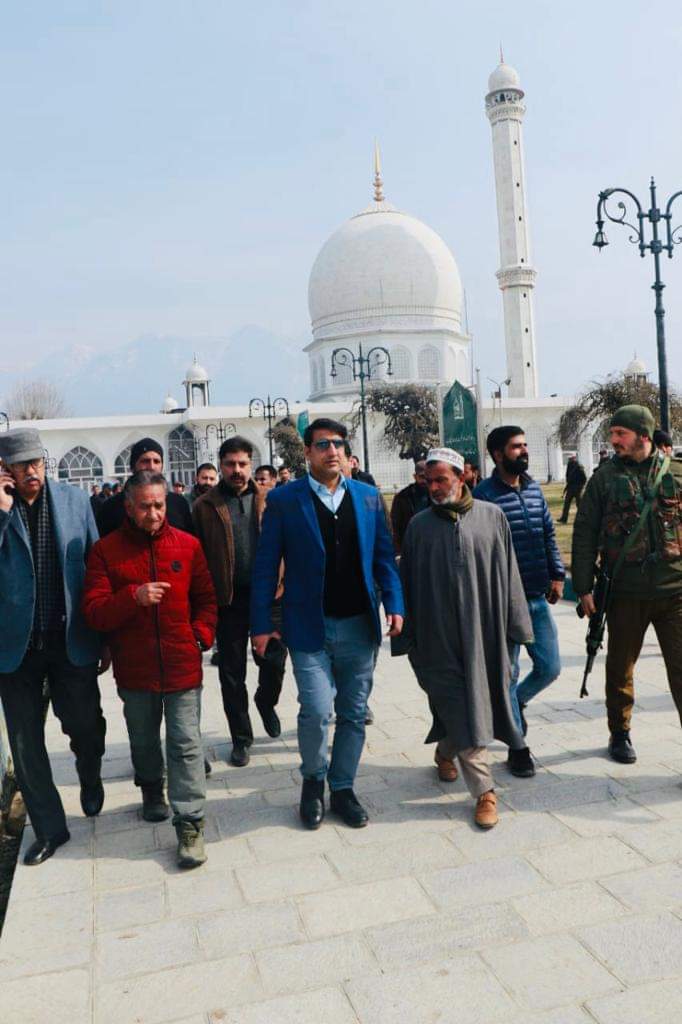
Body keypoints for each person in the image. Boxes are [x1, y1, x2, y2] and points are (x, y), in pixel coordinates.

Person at [251, 417, 404, 830]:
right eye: (323, 444)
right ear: (307, 452)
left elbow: (383, 558)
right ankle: (313, 781)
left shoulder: (369, 498)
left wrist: (395, 603)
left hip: (358, 625)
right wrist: (261, 623)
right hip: (309, 626)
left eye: (338, 443)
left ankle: (343, 788)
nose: (332, 451)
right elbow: (265, 566)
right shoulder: (285, 501)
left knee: (353, 713)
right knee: (316, 710)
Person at [83, 471, 216, 869]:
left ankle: (190, 824)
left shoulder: (188, 546)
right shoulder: (106, 552)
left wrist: (201, 636)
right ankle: (150, 788)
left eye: (159, 505)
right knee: (143, 740)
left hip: (182, 664)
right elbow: (93, 611)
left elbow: (207, 599)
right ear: (129, 507)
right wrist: (132, 597)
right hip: (136, 669)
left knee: (185, 744)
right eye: (145, 506)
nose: (154, 514)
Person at [398, 448, 532, 829]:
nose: (434, 487)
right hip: (436, 637)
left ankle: (446, 752)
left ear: (463, 476)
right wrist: (407, 638)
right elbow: (407, 584)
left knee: (474, 706)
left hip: (484, 634)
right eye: (429, 480)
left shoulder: (492, 517)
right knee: (457, 704)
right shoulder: (419, 527)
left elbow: (509, 575)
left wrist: (518, 628)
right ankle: (485, 792)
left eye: (441, 479)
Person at [0, 428, 107, 866]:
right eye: (21, 465)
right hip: (14, 647)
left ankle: (89, 769)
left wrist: (104, 635)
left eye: (36, 463)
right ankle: (49, 829)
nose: (32, 472)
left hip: (70, 639)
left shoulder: (74, 501)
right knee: (25, 744)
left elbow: (96, 566)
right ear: (5, 470)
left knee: (84, 724)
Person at [572, 404, 682, 764]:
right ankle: (619, 733)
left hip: (675, 593)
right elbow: (585, 533)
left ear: (643, 436)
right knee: (620, 667)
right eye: (613, 433)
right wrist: (584, 586)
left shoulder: (677, 474)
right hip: (625, 594)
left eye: (621, 434)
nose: (613, 440)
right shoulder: (603, 480)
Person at [474, 425, 564, 775]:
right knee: (507, 675)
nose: (523, 451)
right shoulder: (484, 495)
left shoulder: (533, 489)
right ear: (498, 455)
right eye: (516, 447)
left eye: (525, 445)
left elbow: (548, 533)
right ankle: (518, 746)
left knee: (550, 667)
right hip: (503, 602)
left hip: (537, 596)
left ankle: (517, 705)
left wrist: (557, 574)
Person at [193, 436, 287, 766]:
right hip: (228, 600)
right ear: (220, 465)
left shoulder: (272, 500)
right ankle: (241, 738)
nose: (237, 470)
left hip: (269, 597)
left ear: (252, 464)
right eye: (230, 464)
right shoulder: (205, 507)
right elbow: (197, 556)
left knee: (274, 661)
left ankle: (266, 701)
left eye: (243, 464)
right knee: (232, 674)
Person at [96, 438, 194, 538]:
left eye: (156, 461)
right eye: (145, 461)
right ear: (133, 466)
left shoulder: (178, 504)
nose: (151, 466)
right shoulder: (111, 507)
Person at [390, 459, 429, 554]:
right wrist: (398, 552)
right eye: (422, 477)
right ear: (415, 476)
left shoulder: (436, 495)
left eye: (428, 477)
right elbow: (395, 526)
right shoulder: (402, 497)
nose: (425, 481)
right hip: (409, 546)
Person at [558, 455, 587, 523]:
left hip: (578, 488)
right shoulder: (569, 466)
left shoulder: (579, 466)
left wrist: (581, 486)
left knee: (579, 505)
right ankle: (564, 518)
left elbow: (584, 478)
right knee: (566, 504)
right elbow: (568, 477)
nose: (570, 460)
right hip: (570, 487)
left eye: (571, 459)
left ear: (574, 458)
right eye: (569, 459)